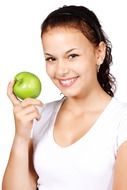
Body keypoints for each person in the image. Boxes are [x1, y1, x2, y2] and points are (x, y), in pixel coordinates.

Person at [2, 5, 127, 190]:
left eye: (72, 56)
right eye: (51, 58)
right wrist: (21, 136)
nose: (60, 70)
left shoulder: (121, 121)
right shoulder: (39, 115)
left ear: (99, 53)